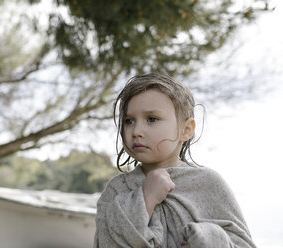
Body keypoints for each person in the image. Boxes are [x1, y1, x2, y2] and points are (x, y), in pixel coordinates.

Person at [94, 73, 256, 248]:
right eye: (129, 121)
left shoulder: (208, 183)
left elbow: (243, 244)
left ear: (186, 130)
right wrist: (145, 198)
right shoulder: (117, 189)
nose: (136, 131)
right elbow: (106, 241)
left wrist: (209, 239)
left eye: (152, 119)